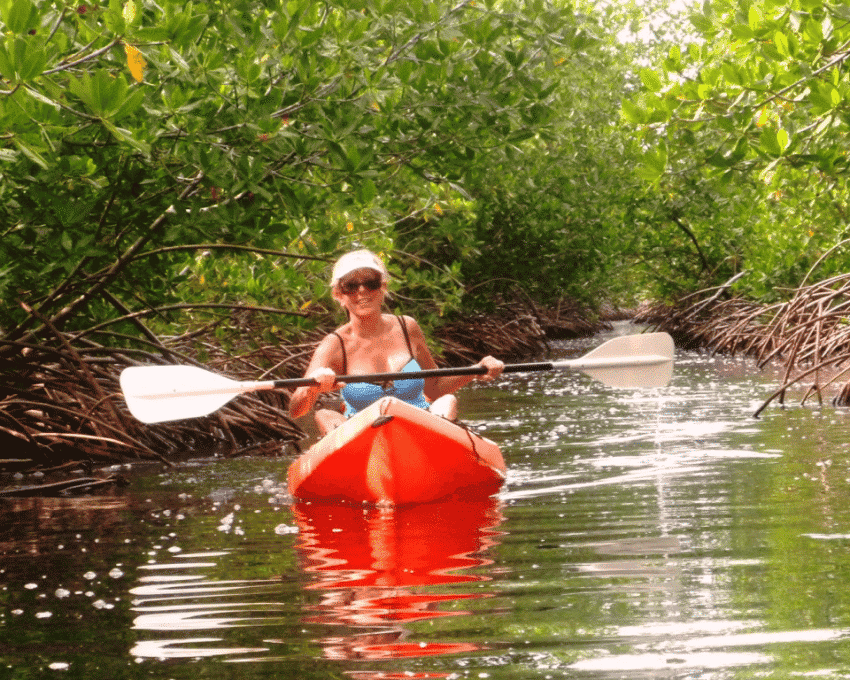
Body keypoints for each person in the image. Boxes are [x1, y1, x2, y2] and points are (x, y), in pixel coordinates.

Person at [289, 250, 504, 435]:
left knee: (447, 401)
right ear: (339, 294)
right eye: (351, 286)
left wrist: (476, 370)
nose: (362, 291)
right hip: (363, 435)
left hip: (421, 428)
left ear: (382, 287)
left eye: (370, 283)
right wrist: (312, 388)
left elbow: (434, 389)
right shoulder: (334, 344)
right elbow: (296, 409)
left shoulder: (407, 327)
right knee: (325, 414)